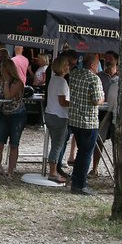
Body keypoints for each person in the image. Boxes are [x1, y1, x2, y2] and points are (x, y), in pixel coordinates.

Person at [67, 53, 104, 195]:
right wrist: (102, 99)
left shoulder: (74, 74)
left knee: (81, 151)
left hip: (75, 118)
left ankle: (75, 180)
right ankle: (80, 184)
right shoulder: (94, 79)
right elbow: (96, 100)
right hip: (89, 121)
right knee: (85, 154)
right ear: (93, 65)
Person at [0, 59, 27, 177]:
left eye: (2, 67)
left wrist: (6, 82)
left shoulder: (18, 82)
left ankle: (10, 171)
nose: (0, 69)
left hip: (17, 115)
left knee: (14, 144)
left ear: (8, 69)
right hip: (4, 114)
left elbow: (8, 96)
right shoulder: (0, 80)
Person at [44, 54, 72, 182]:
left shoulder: (53, 79)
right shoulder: (62, 81)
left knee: (56, 143)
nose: (69, 66)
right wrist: (75, 104)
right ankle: (53, 172)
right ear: (62, 67)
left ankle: (53, 170)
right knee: (57, 145)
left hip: (50, 113)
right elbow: (62, 101)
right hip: (59, 115)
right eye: (66, 64)